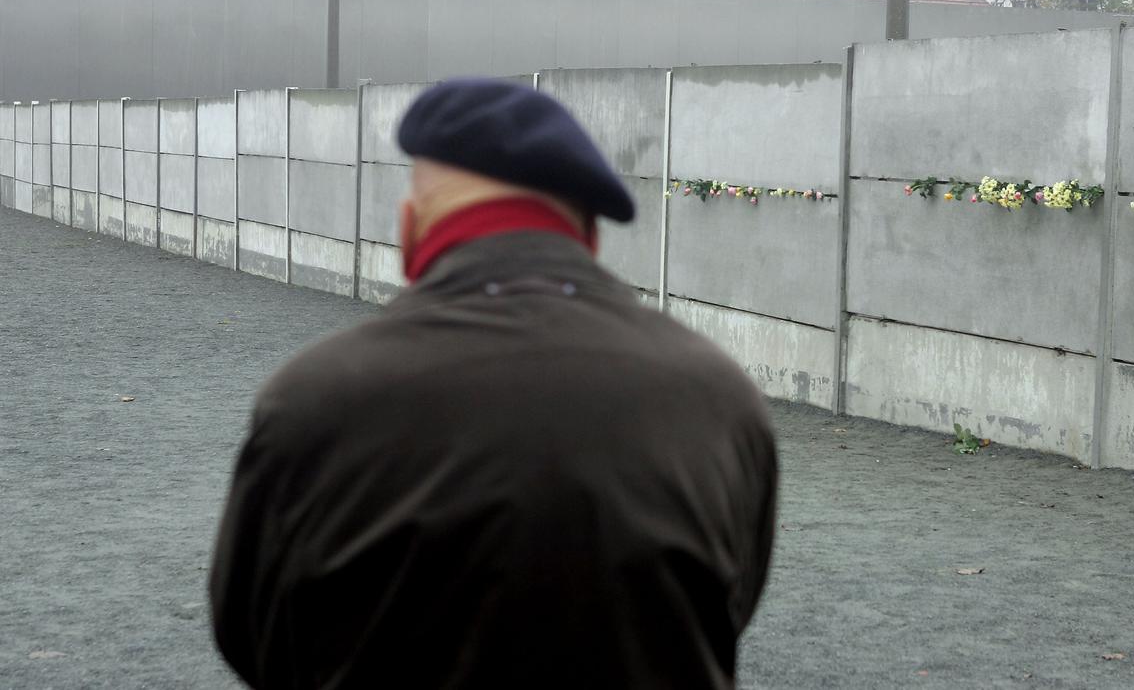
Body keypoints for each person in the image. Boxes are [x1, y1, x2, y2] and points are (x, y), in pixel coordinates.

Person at [209, 78, 778, 689]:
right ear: (588, 234)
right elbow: (726, 608)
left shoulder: (317, 398)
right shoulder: (721, 398)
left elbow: (249, 631)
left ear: (410, 233)